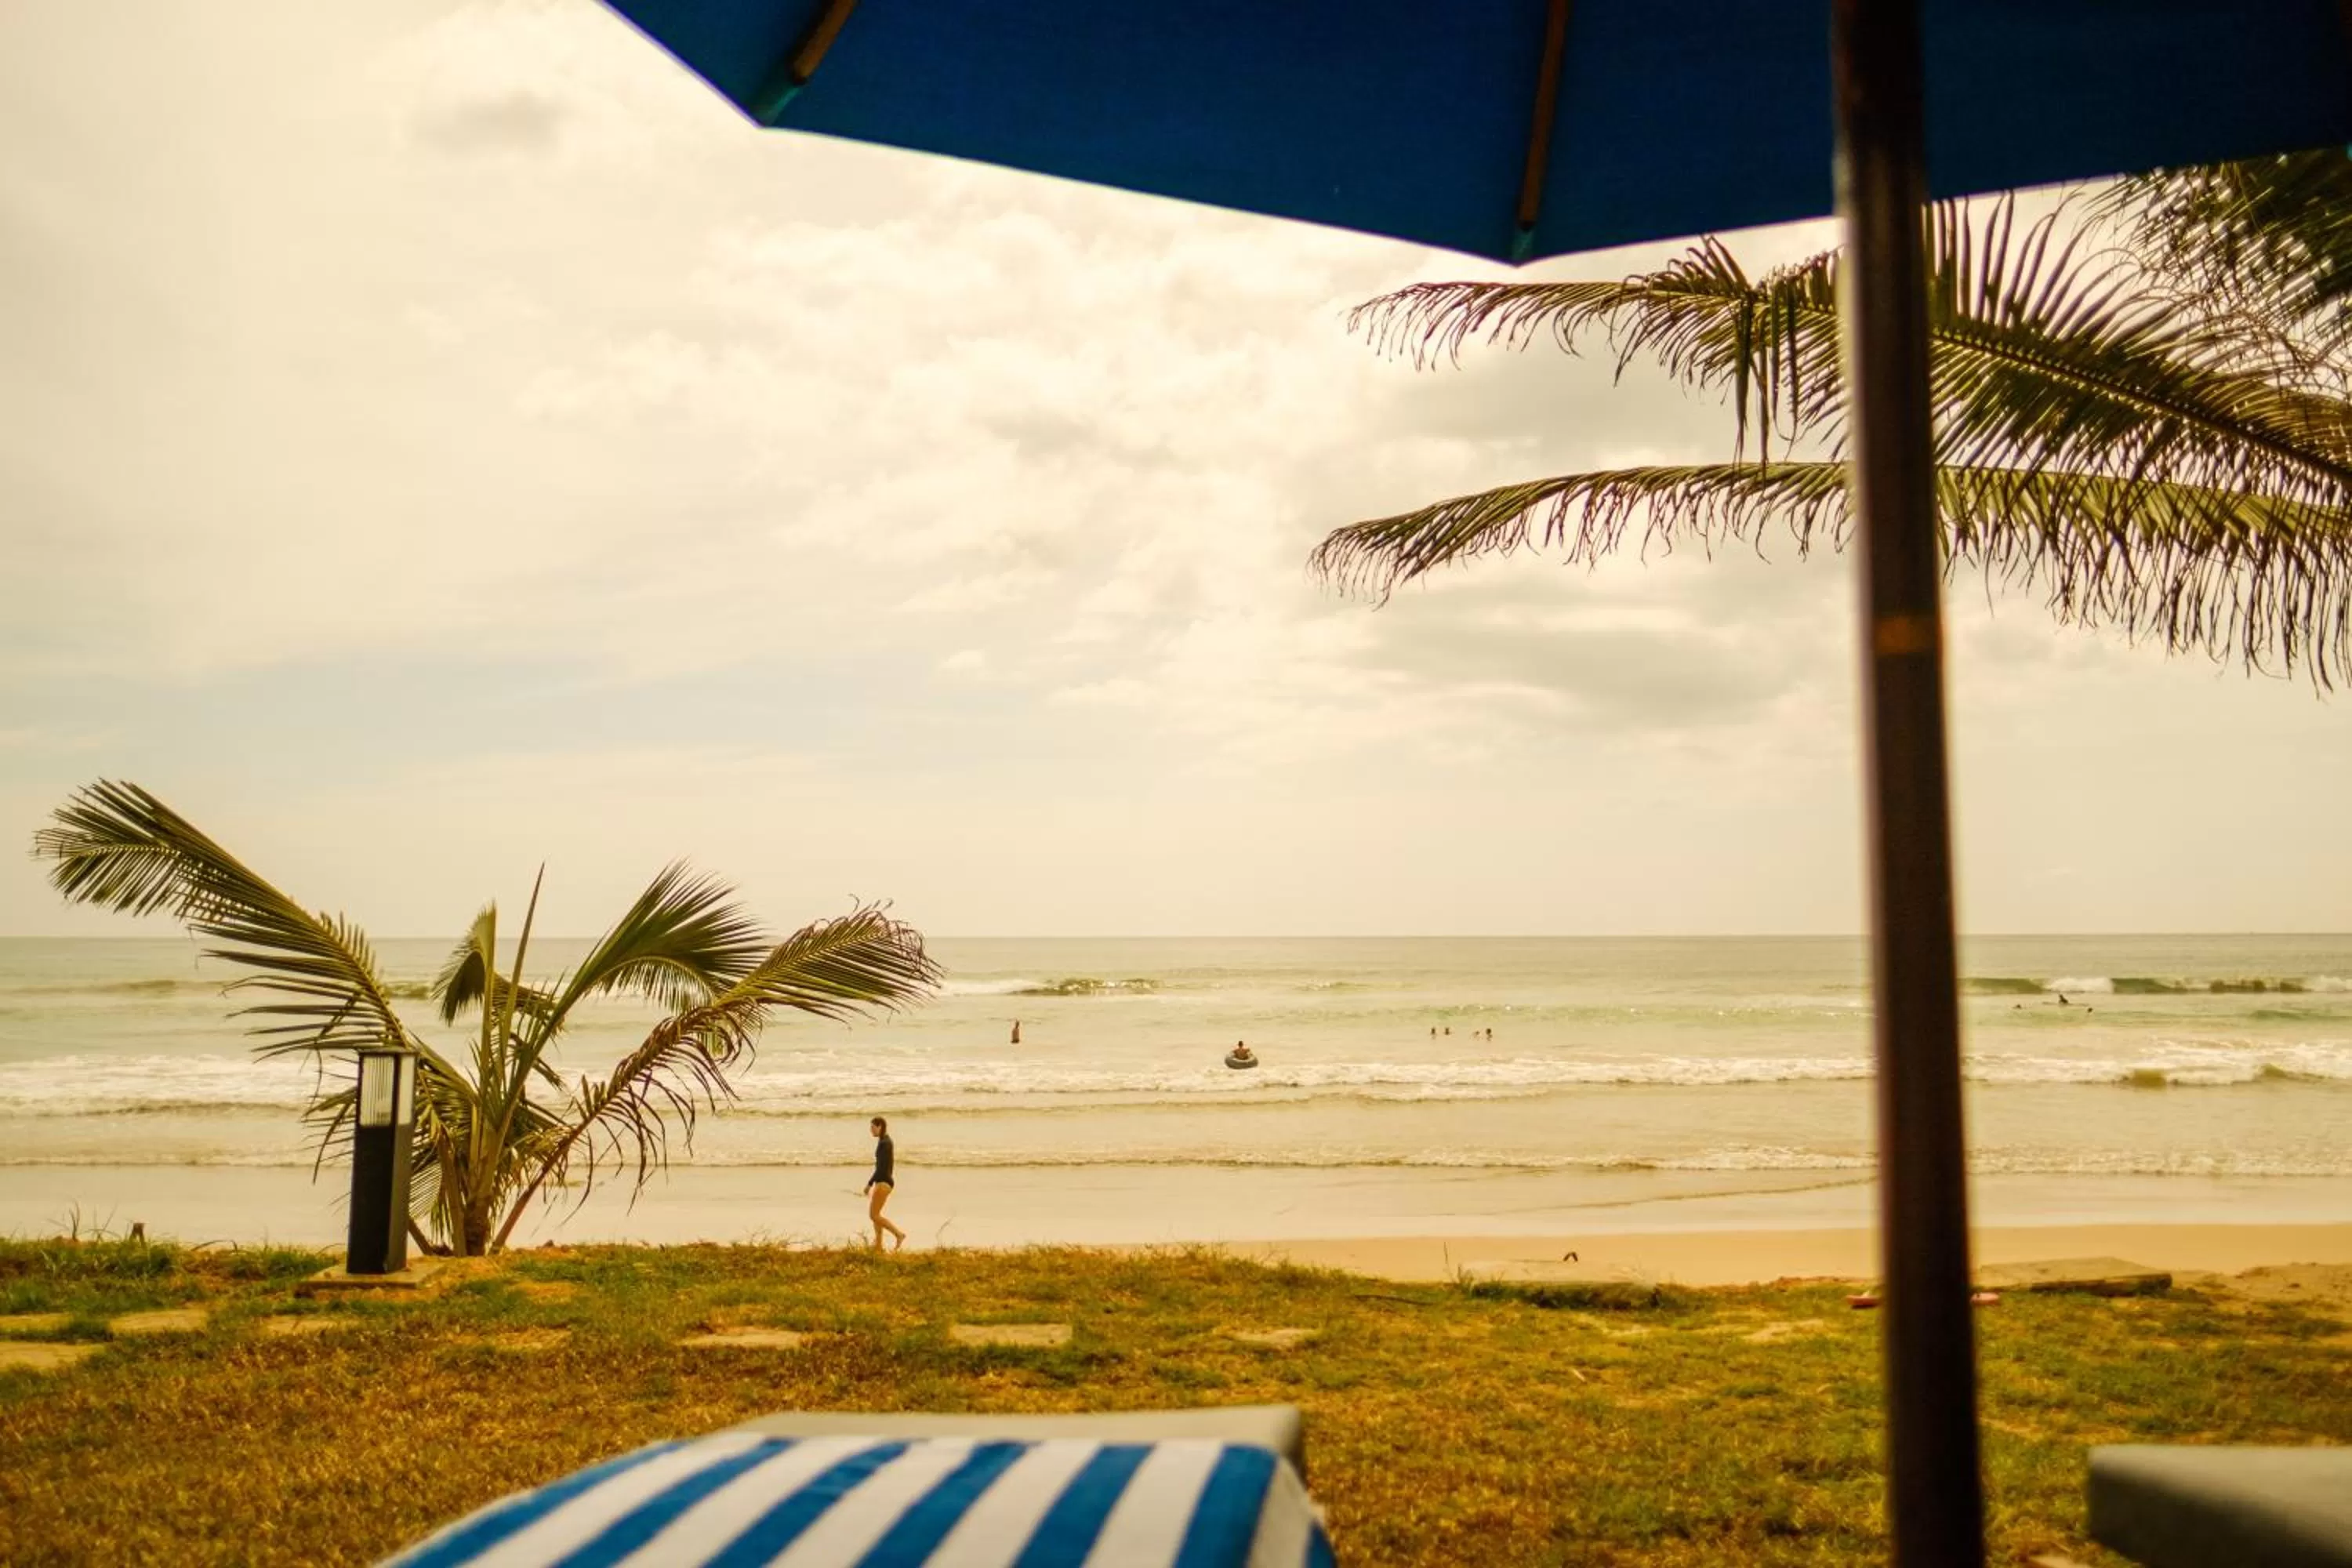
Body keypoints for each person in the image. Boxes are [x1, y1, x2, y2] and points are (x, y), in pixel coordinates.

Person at [864, 1116, 905, 1252]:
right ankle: (878, 1245)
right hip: (882, 1181)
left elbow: (881, 1168)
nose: (871, 1130)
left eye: (873, 1127)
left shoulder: (885, 1143)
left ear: (880, 1126)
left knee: (874, 1215)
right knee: (876, 1215)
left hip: (884, 1182)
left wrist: (869, 1184)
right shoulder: (884, 1141)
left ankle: (899, 1234)